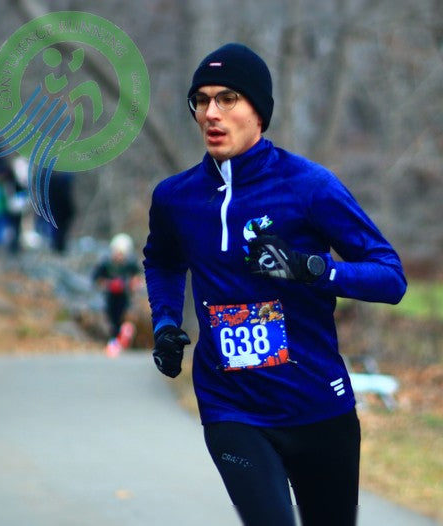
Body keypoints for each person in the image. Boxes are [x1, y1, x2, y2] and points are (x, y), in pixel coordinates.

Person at [142, 43, 406, 526]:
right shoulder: (176, 198)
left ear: (258, 112)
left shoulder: (309, 187)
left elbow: (390, 277)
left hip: (317, 405)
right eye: (200, 100)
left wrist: (314, 270)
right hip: (231, 406)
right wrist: (163, 321)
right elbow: (161, 260)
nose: (210, 113)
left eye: (227, 99)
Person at [93, 233, 141, 356]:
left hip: (125, 297)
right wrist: (109, 284)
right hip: (109, 297)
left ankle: (122, 338)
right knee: (110, 318)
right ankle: (114, 341)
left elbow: (137, 280)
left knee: (124, 317)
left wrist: (130, 285)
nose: (119, 256)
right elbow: (96, 280)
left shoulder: (130, 266)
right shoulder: (106, 264)